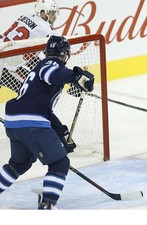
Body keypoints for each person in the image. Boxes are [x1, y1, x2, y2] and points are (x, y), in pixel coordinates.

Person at [0, 35, 95, 209]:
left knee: (18, 165)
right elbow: (52, 73)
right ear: (65, 53)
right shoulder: (50, 64)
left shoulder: (39, 69)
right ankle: (48, 205)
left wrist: (61, 132)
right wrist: (76, 76)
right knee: (60, 163)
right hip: (31, 123)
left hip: (15, 122)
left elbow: (44, 110)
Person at [0, 0, 59, 92]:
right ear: (43, 13)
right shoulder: (47, 31)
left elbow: (28, 55)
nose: (55, 17)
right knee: (31, 93)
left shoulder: (26, 16)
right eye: (52, 13)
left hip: (3, 52)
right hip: (6, 67)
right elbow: (57, 58)